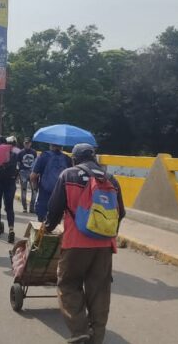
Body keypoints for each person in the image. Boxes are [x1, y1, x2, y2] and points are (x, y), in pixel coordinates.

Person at [45, 143, 125, 344]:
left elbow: (54, 208)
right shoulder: (111, 179)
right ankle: (97, 337)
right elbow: (121, 213)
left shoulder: (68, 175)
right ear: (94, 157)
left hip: (75, 243)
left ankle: (79, 330)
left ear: (74, 159)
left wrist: (48, 227)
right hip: (104, 245)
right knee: (99, 290)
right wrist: (107, 233)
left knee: (68, 284)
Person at [31, 144, 73, 222]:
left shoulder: (44, 156)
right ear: (62, 147)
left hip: (44, 193)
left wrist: (35, 186)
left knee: (42, 220)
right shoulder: (67, 159)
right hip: (60, 194)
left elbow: (33, 176)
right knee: (56, 220)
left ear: (51, 145)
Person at [0, 136, 19, 243]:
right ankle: (11, 228)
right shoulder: (15, 154)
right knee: (9, 207)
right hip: (10, 183)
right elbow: (18, 169)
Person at [17, 138, 38, 213]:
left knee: (34, 191)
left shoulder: (34, 152)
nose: (27, 144)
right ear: (23, 143)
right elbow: (18, 164)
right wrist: (18, 174)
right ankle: (25, 207)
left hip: (32, 172)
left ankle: (32, 208)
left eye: (28, 143)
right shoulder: (20, 152)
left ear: (30, 143)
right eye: (25, 143)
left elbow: (36, 162)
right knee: (23, 190)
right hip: (23, 173)